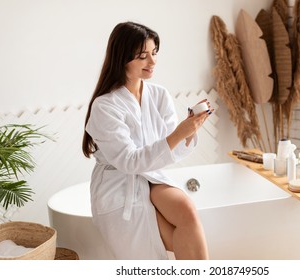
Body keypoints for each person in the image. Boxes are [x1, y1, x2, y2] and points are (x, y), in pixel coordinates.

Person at [82, 21, 212, 260]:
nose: (152, 62)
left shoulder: (158, 94)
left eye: (154, 54)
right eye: (143, 56)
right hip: (119, 185)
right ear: (122, 58)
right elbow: (129, 162)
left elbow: (171, 150)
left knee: (188, 212)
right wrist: (179, 133)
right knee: (173, 242)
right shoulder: (105, 106)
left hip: (151, 176)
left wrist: (190, 130)